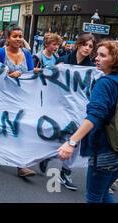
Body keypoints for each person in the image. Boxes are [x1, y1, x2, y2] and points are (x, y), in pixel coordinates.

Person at [58, 40, 118, 203]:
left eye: (102, 55)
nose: (96, 58)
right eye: (97, 54)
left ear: (116, 60)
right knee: (104, 194)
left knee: (94, 197)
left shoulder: (105, 83)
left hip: (106, 149)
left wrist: (71, 142)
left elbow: (94, 116)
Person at [38, 33, 96, 190]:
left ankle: (65, 171)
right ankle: (47, 156)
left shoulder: (91, 68)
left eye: (90, 46)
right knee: (56, 133)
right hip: (60, 105)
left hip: (79, 107)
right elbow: (52, 81)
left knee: (76, 139)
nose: (87, 48)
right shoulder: (63, 61)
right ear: (78, 44)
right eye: (85, 44)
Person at [0, 27, 36, 178]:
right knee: (3, 128)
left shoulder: (26, 54)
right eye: (15, 36)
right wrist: (10, 75)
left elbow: (31, 74)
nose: (18, 39)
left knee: (20, 129)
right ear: (8, 38)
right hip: (4, 96)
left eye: (20, 36)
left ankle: (21, 165)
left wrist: (24, 74)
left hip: (22, 98)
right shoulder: (0, 53)